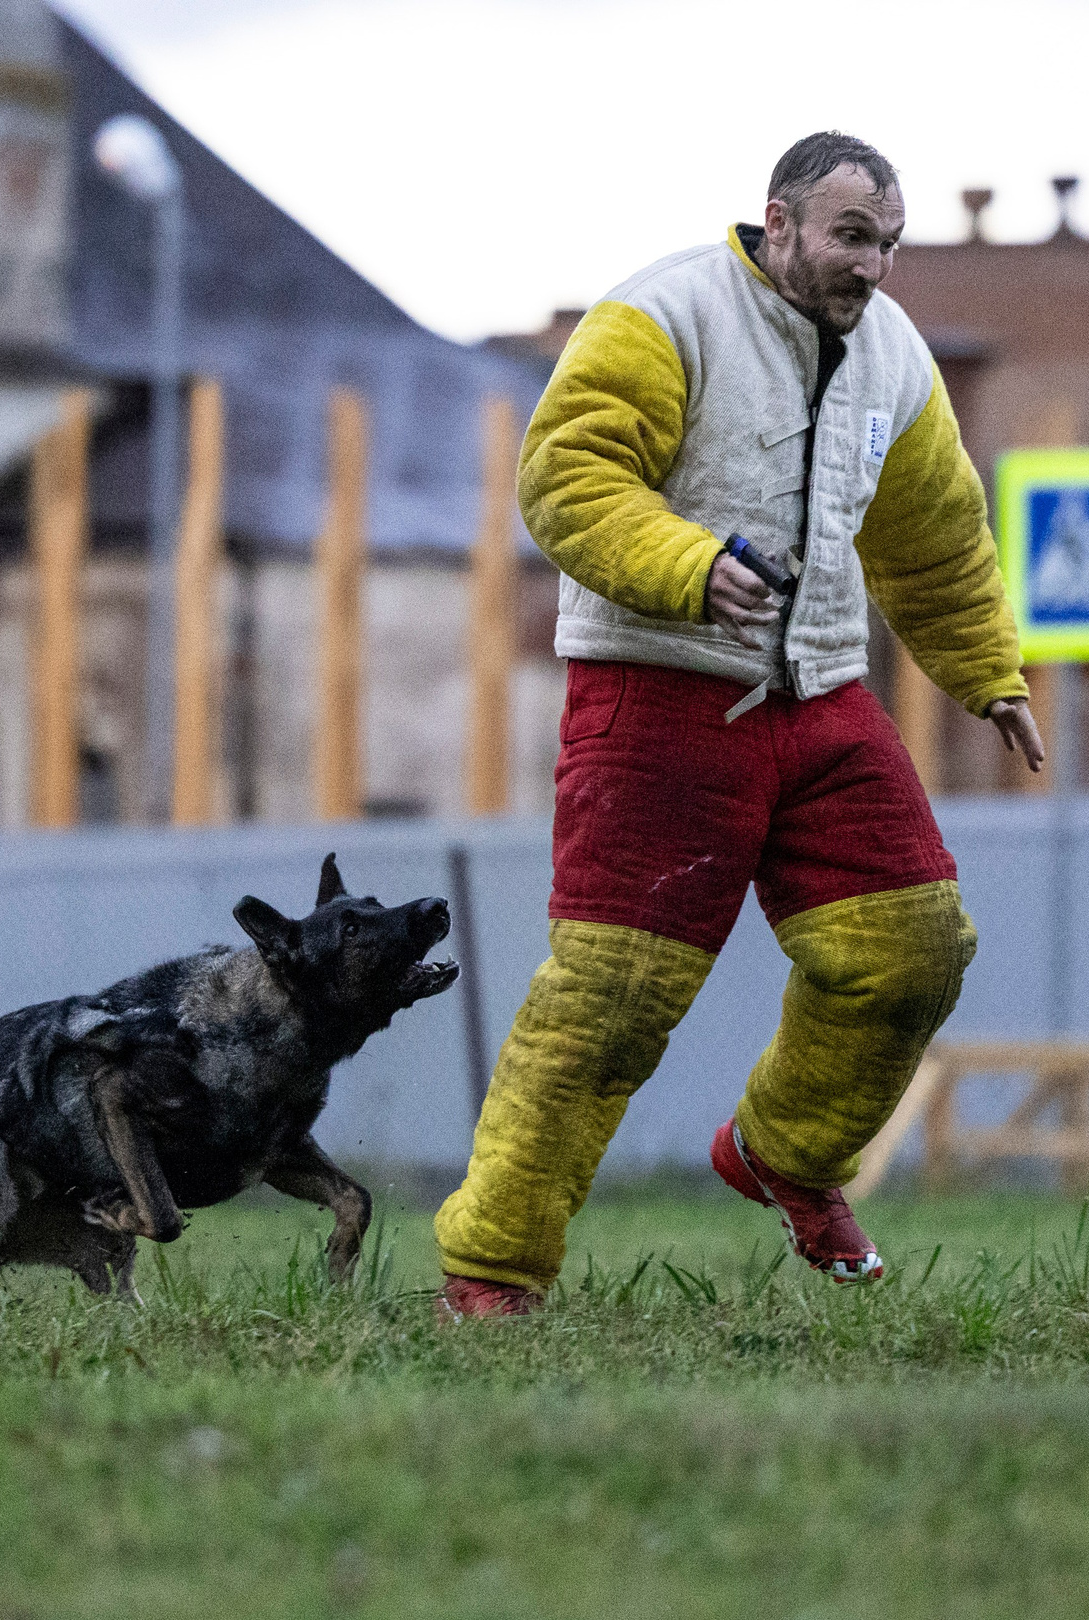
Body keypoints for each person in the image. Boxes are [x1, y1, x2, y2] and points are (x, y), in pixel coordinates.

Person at [434, 131, 1043, 1319]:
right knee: (608, 1003)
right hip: (655, 690)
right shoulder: (660, 316)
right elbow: (565, 477)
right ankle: (492, 1270)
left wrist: (988, 673)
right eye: (851, 236)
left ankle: (784, 1156)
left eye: (889, 245)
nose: (872, 266)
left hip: (822, 696)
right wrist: (690, 564)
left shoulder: (895, 356)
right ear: (778, 221)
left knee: (914, 952)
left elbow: (934, 534)